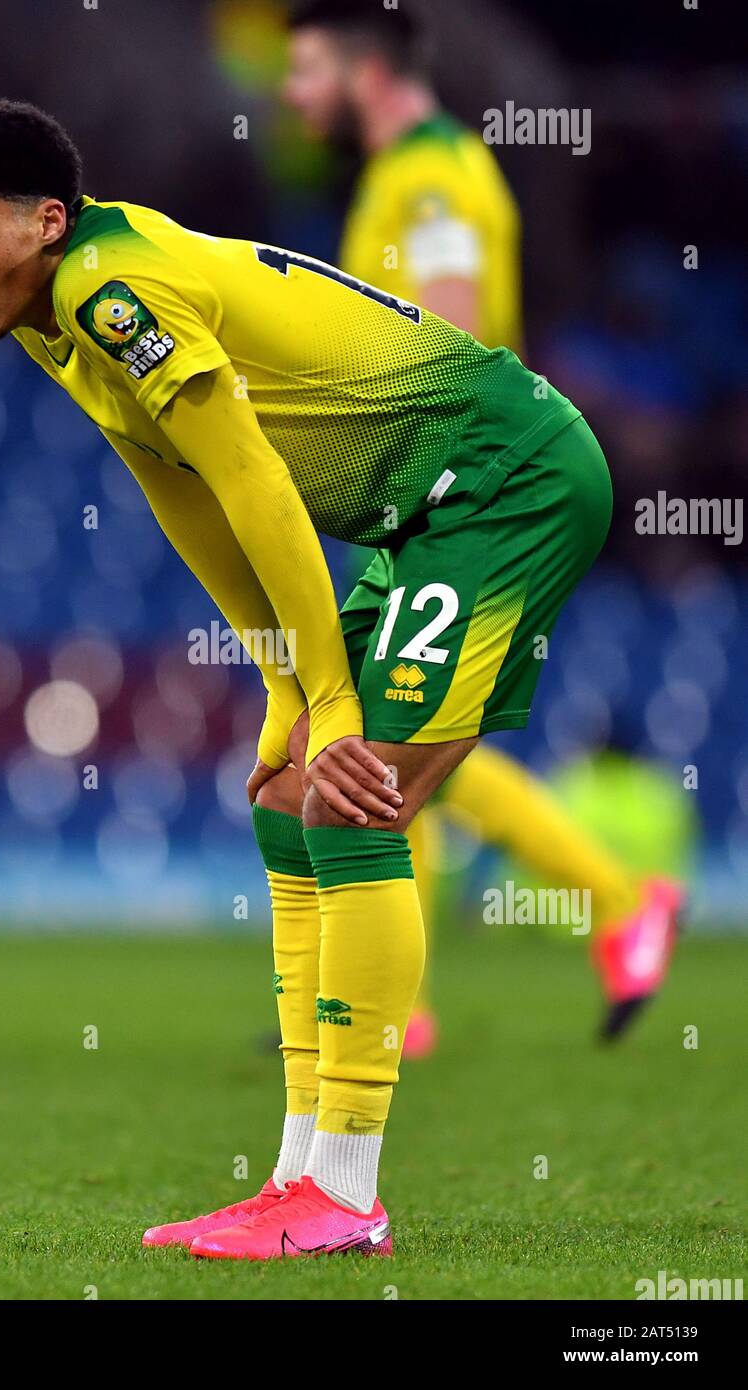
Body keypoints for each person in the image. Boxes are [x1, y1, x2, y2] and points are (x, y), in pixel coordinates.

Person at [0, 96, 648, 1261]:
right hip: (423, 514)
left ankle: (346, 1195)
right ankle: (297, 1175)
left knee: (354, 798)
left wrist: (332, 698)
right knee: (293, 800)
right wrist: (288, 686)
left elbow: (253, 481)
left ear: (44, 220)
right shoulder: (53, 312)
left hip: (501, 480)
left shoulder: (109, 288)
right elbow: (180, 488)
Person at [283, 0, 681, 1055]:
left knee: (386, 738)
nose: (288, 92)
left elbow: (450, 320)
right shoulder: (414, 169)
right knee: (398, 738)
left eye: (305, 67)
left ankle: (602, 906)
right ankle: (406, 991)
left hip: (454, 492)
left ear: (364, 69)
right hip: (437, 492)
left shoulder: (428, 176)